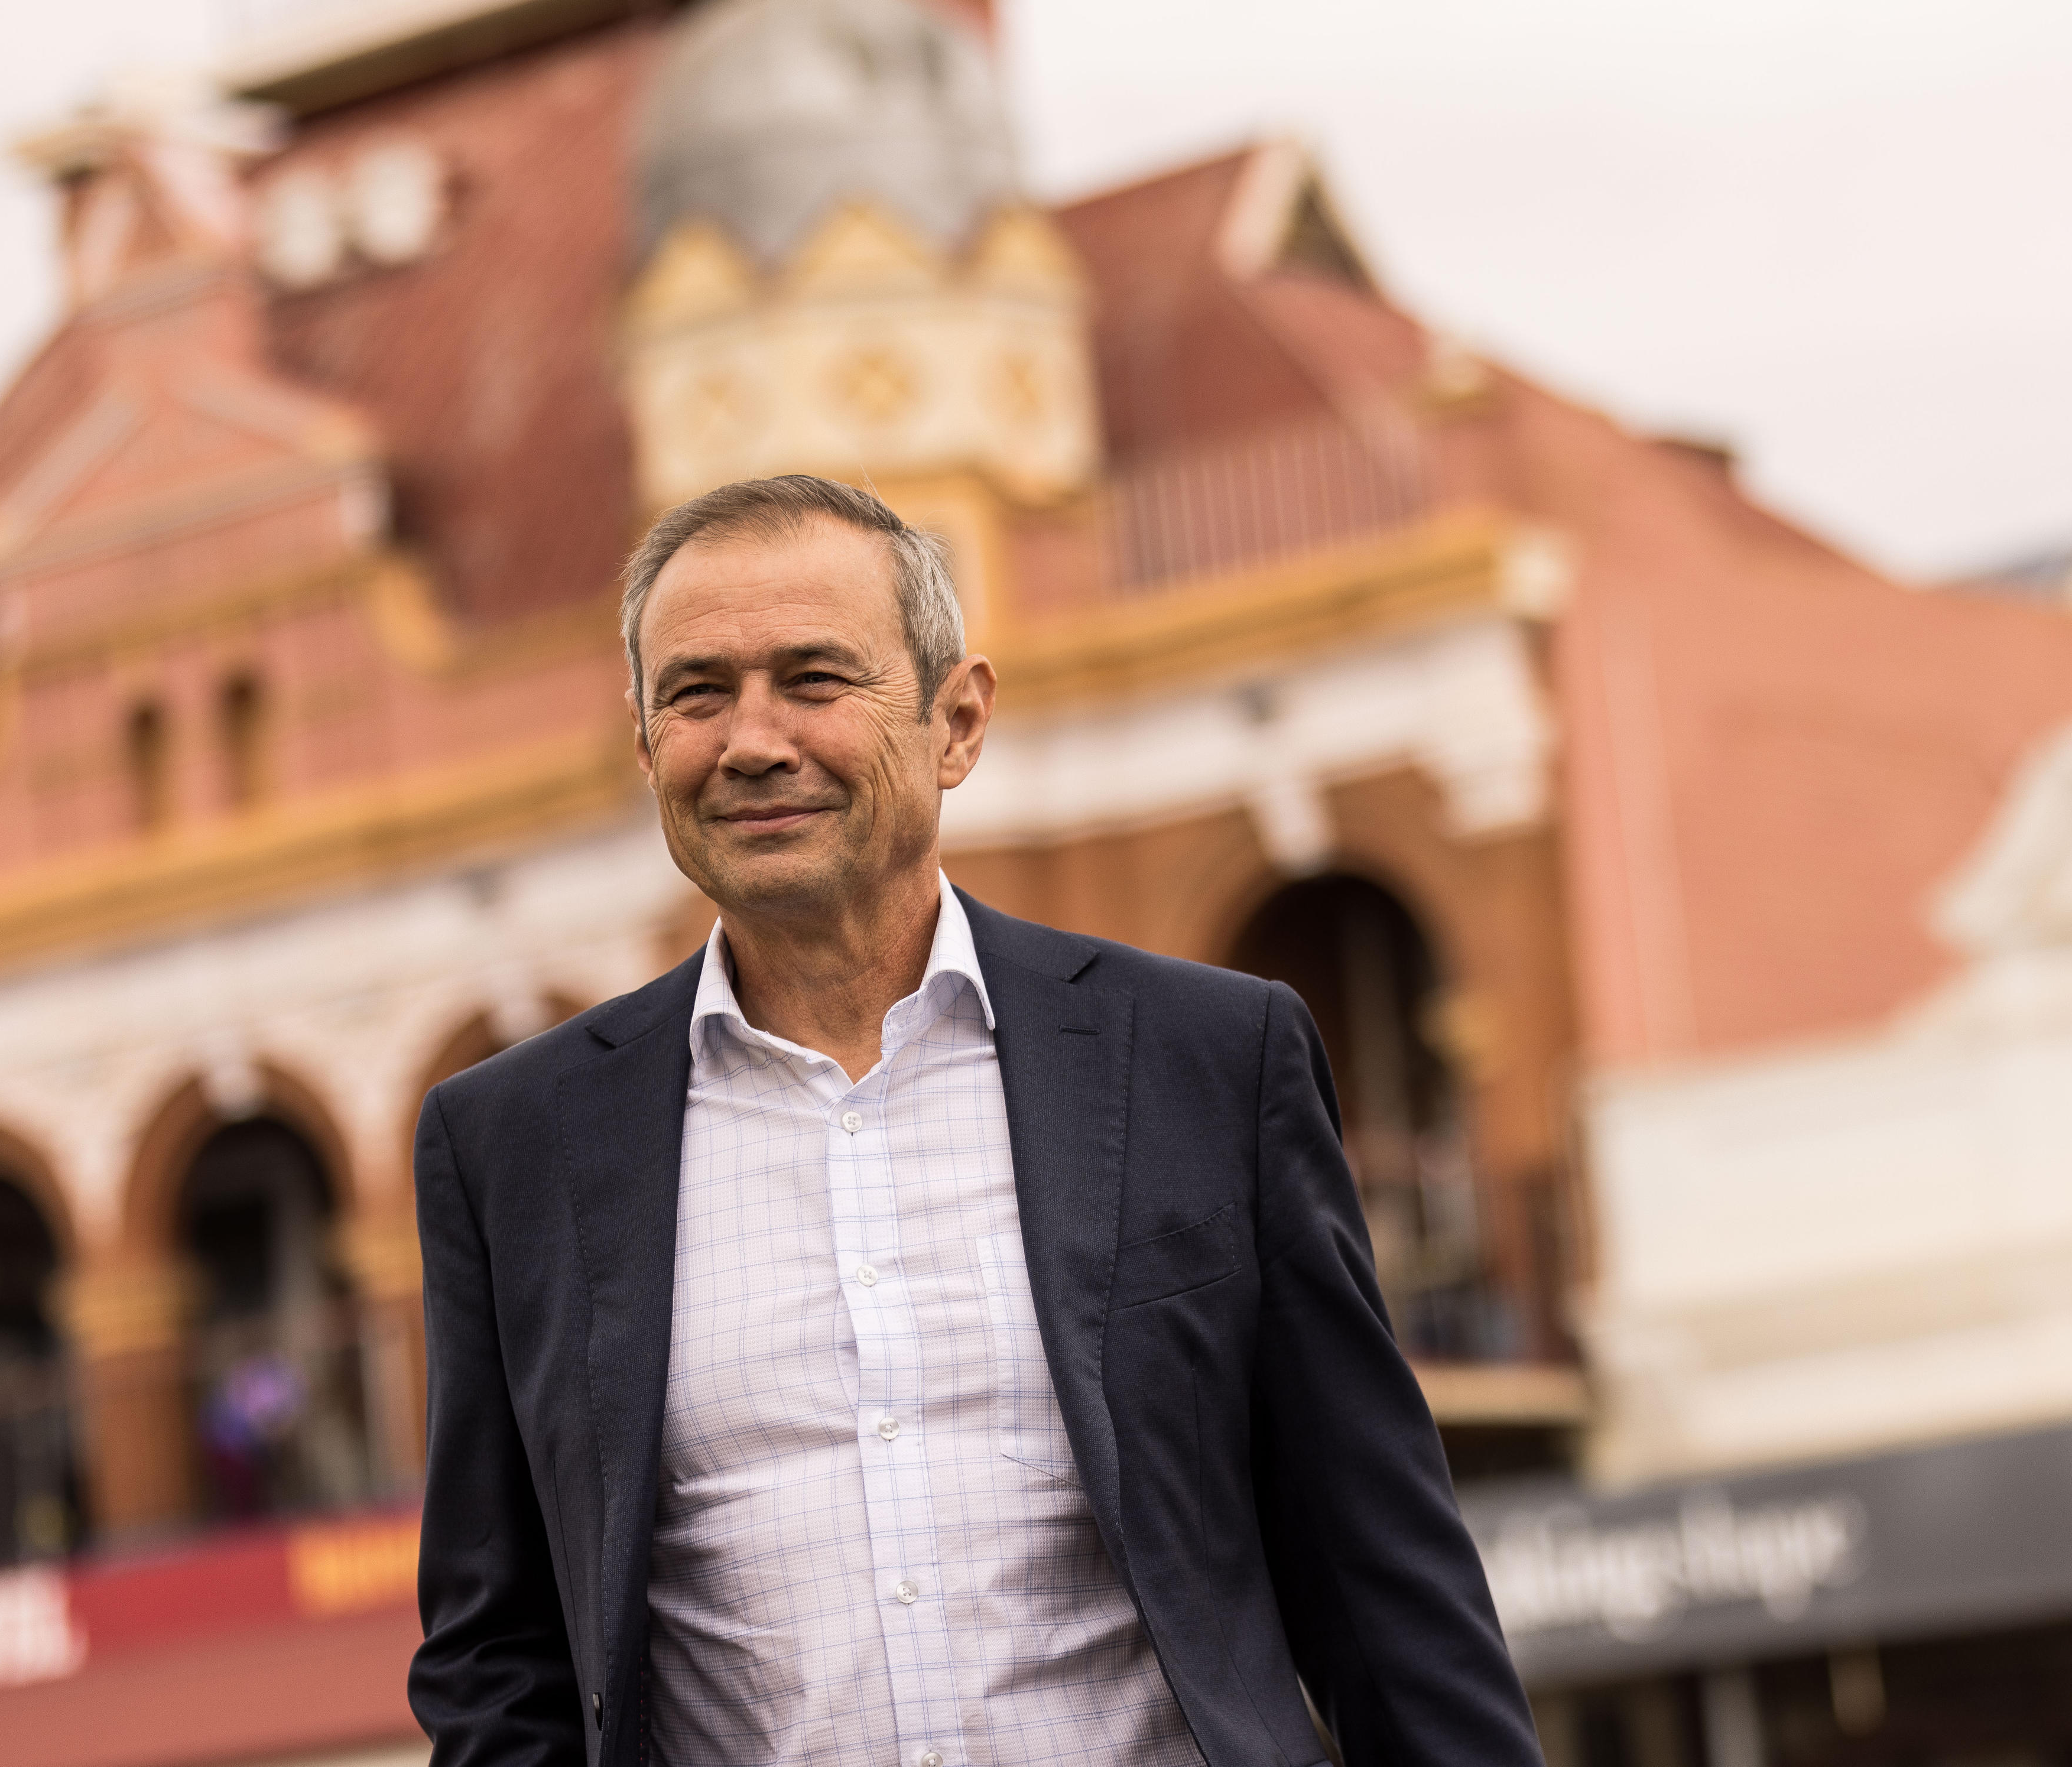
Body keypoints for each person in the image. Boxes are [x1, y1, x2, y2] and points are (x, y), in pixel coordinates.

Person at [411, 476, 1541, 1766]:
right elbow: (495, 1657)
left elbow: (1383, 1581)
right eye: (697, 692)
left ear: (958, 720)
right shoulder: (513, 1146)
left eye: (816, 678)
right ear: (643, 743)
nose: (752, 739)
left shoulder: (1206, 1062)